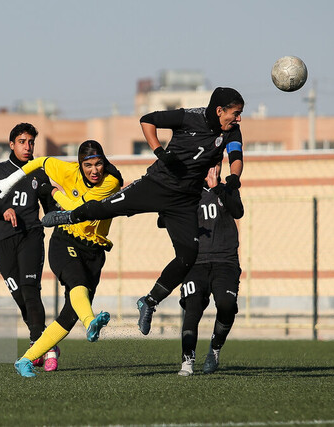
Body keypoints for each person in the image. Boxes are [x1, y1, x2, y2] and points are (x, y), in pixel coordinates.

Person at [38, 87, 245, 336]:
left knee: (188, 255)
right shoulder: (189, 117)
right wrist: (159, 151)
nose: (239, 119)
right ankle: (69, 216)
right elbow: (147, 120)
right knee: (106, 208)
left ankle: (149, 301)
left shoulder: (232, 130)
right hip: (156, 185)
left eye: (240, 114)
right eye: (236, 113)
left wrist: (234, 178)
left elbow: (236, 155)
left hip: (183, 201)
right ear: (219, 110)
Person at [0, 140, 123, 378]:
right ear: (79, 164)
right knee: (77, 283)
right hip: (64, 242)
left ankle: (24, 360)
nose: (94, 170)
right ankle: (90, 323)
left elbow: (79, 209)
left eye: (99, 164)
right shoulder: (67, 170)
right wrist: (9, 181)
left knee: (68, 315)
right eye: (88, 165)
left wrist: (54, 192)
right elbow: (39, 162)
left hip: (94, 251)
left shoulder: (111, 181)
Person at [0, 123, 58, 371]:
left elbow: (51, 210)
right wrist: (3, 209)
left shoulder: (39, 173)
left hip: (31, 236)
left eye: (31, 142)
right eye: (22, 141)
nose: (27, 146)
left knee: (30, 289)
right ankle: (46, 342)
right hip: (2, 240)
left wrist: (63, 209)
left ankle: (39, 345)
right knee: (19, 295)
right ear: (11, 144)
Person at [174, 165, 243, 376]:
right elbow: (164, 220)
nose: (213, 168)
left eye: (217, 164)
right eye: (209, 163)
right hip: (195, 263)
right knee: (192, 308)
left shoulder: (227, 188)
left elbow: (238, 211)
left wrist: (218, 189)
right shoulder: (187, 192)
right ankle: (187, 360)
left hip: (226, 261)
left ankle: (215, 349)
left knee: (226, 304)